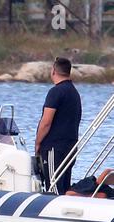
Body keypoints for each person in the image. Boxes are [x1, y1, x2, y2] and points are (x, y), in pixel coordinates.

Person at [35, 57, 82, 195]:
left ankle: (51, 211)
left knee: (53, 185)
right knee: (64, 184)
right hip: (71, 145)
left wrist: (38, 142)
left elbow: (46, 121)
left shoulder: (56, 92)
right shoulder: (74, 92)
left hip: (54, 147)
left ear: (53, 71)